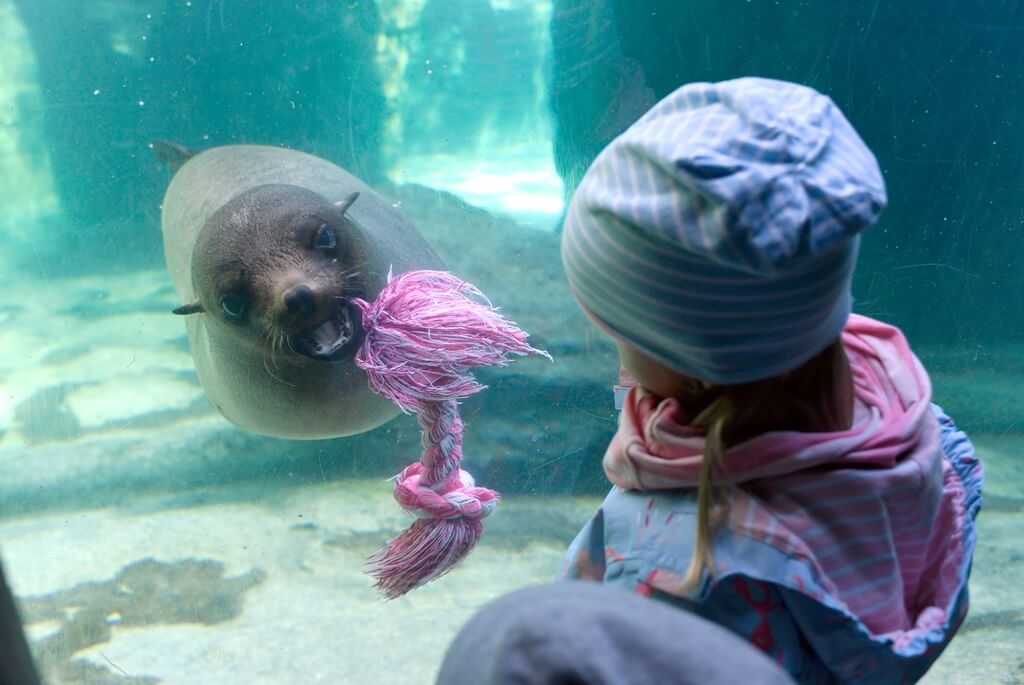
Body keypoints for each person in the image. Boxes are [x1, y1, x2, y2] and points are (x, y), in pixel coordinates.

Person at [557, 77, 983, 684]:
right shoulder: (924, 441)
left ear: (693, 362)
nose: (618, 356)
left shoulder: (678, 568)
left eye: (622, 334)